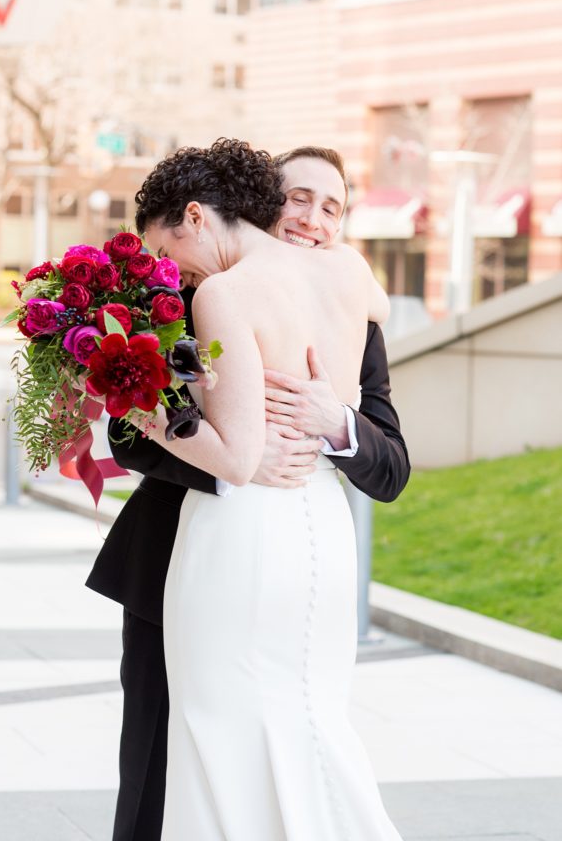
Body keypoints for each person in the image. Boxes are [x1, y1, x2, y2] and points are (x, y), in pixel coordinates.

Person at [86, 140, 409, 840]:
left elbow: (240, 452)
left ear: (196, 216)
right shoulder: (346, 278)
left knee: (220, 732)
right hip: (298, 535)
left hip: (243, 544)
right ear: (264, 200)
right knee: (276, 723)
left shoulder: (226, 291)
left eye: (332, 208)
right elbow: (148, 449)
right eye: (299, 199)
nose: (312, 218)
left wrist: (123, 389)